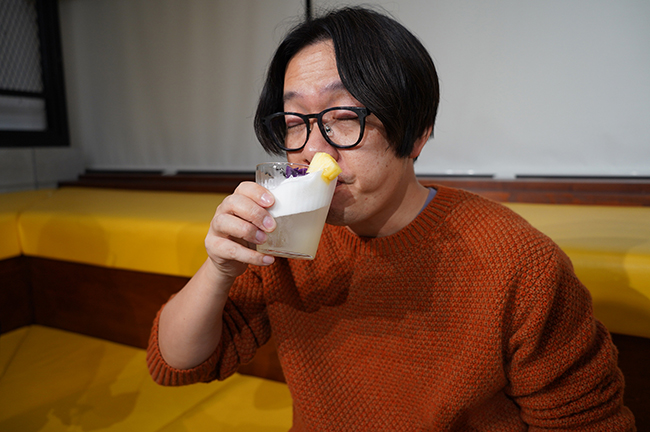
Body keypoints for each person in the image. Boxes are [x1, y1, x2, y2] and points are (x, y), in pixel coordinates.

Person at [147, 6, 636, 430]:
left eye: (344, 117)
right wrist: (219, 268)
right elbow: (177, 363)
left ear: (417, 134)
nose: (314, 150)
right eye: (295, 123)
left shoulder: (519, 263)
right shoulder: (285, 235)